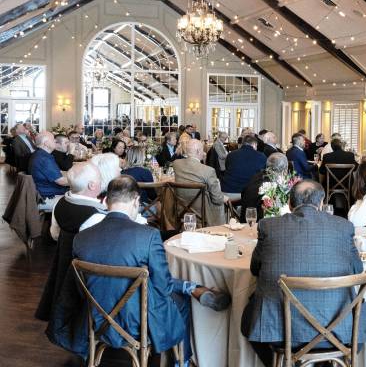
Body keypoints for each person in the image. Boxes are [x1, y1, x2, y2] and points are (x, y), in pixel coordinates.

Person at [48, 176, 231, 365]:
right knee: (178, 299)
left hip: (96, 321)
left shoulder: (81, 238)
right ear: (136, 200)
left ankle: (189, 288)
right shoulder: (149, 236)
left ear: (106, 200)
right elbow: (164, 287)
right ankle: (181, 360)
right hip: (139, 325)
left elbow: (79, 288)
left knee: (145, 281)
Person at [241, 180, 366, 366]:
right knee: (364, 319)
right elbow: (357, 270)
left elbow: (255, 269)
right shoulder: (343, 227)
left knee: (251, 316)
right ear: (321, 203)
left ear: (290, 204)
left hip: (280, 331)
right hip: (339, 329)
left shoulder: (268, 226)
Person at [35, 162, 106, 321]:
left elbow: (55, 235)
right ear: (92, 185)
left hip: (63, 269)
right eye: (100, 179)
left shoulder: (59, 203)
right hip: (89, 281)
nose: (103, 182)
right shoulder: (97, 216)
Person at [173, 139, 228, 225]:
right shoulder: (208, 171)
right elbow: (217, 199)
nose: (204, 152)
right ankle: (221, 231)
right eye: (203, 150)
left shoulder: (176, 164)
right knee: (223, 201)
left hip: (182, 212)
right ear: (199, 151)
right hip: (203, 214)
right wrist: (224, 198)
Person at [240, 153, 289, 223]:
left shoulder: (256, 176)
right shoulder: (274, 186)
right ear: (284, 171)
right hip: (259, 225)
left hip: (244, 220)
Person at [28, 131, 69, 210]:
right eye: (53, 139)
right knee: (80, 199)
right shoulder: (44, 158)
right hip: (47, 197)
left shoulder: (39, 154)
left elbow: (58, 174)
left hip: (43, 193)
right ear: (46, 143)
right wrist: (79, 181)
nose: (55, 141)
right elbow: (61, 181)